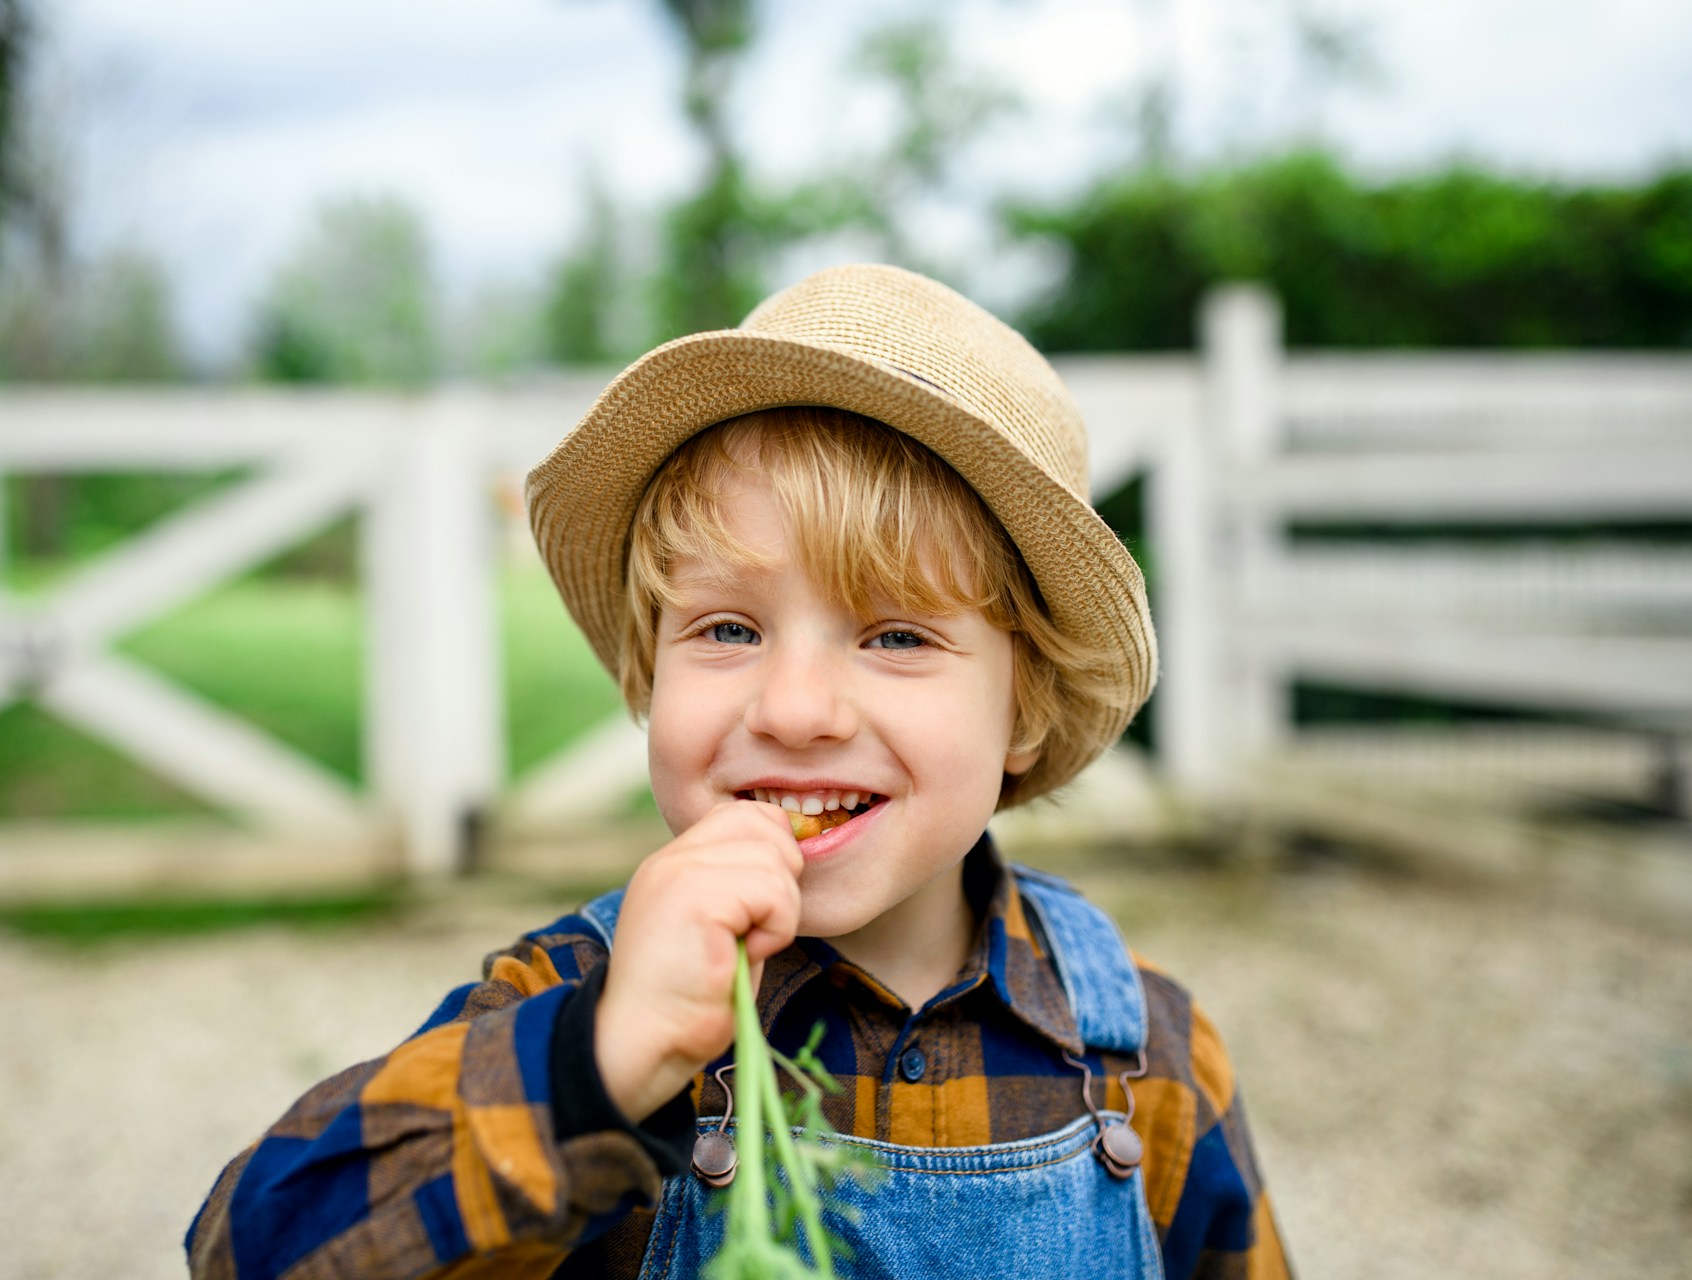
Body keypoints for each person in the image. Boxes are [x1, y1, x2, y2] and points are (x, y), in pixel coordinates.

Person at [186, 264, 1291, 1279]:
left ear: (1024, 708)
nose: (795, 709)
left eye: (897, 635)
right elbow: (247, 1248)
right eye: (726, 628)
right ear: (649, 668)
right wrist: (599, 1066)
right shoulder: (574, 998)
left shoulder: (1144, 1054)